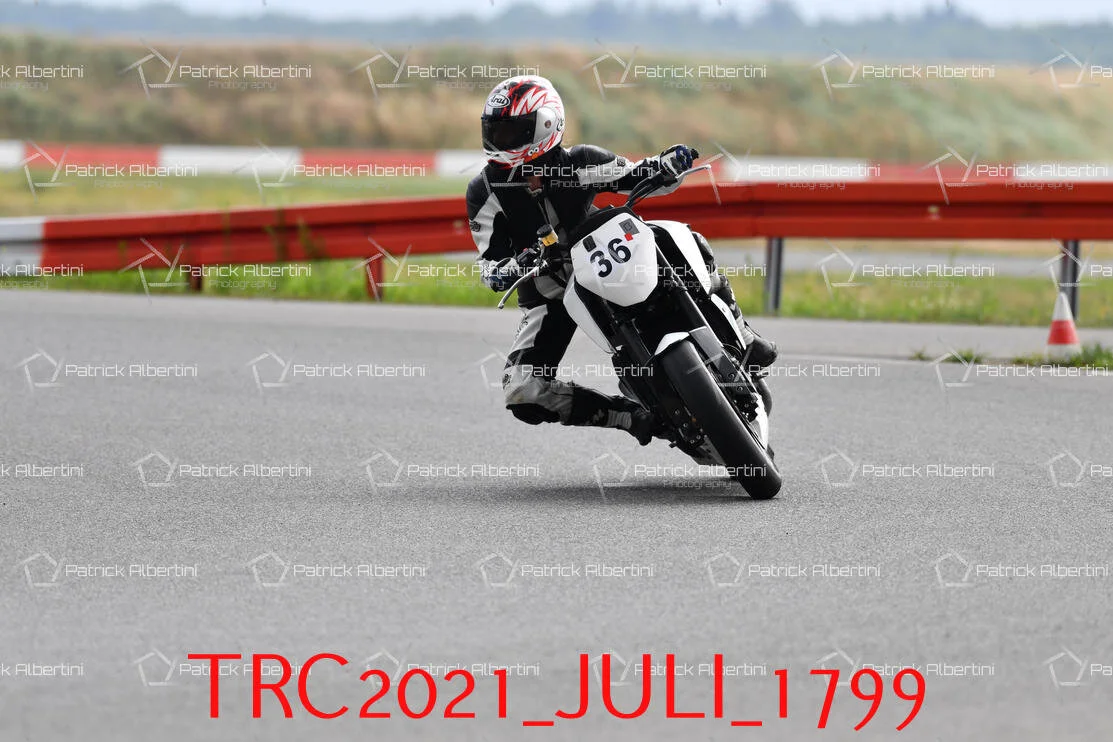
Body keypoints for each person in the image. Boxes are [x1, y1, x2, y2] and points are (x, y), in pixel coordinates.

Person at [466, 75, 776, 445]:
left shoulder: (578, 162)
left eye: (511, 132)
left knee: (680, 237)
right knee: (522, 390)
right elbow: (489, 265)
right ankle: (626, 415)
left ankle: (743, 333)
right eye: (494, 132)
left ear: (545, 125)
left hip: (608, 258)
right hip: (551, 294)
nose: (500, 142)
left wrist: (666, 164)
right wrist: (512, 267)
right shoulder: (484, 191)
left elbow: (635, 174)